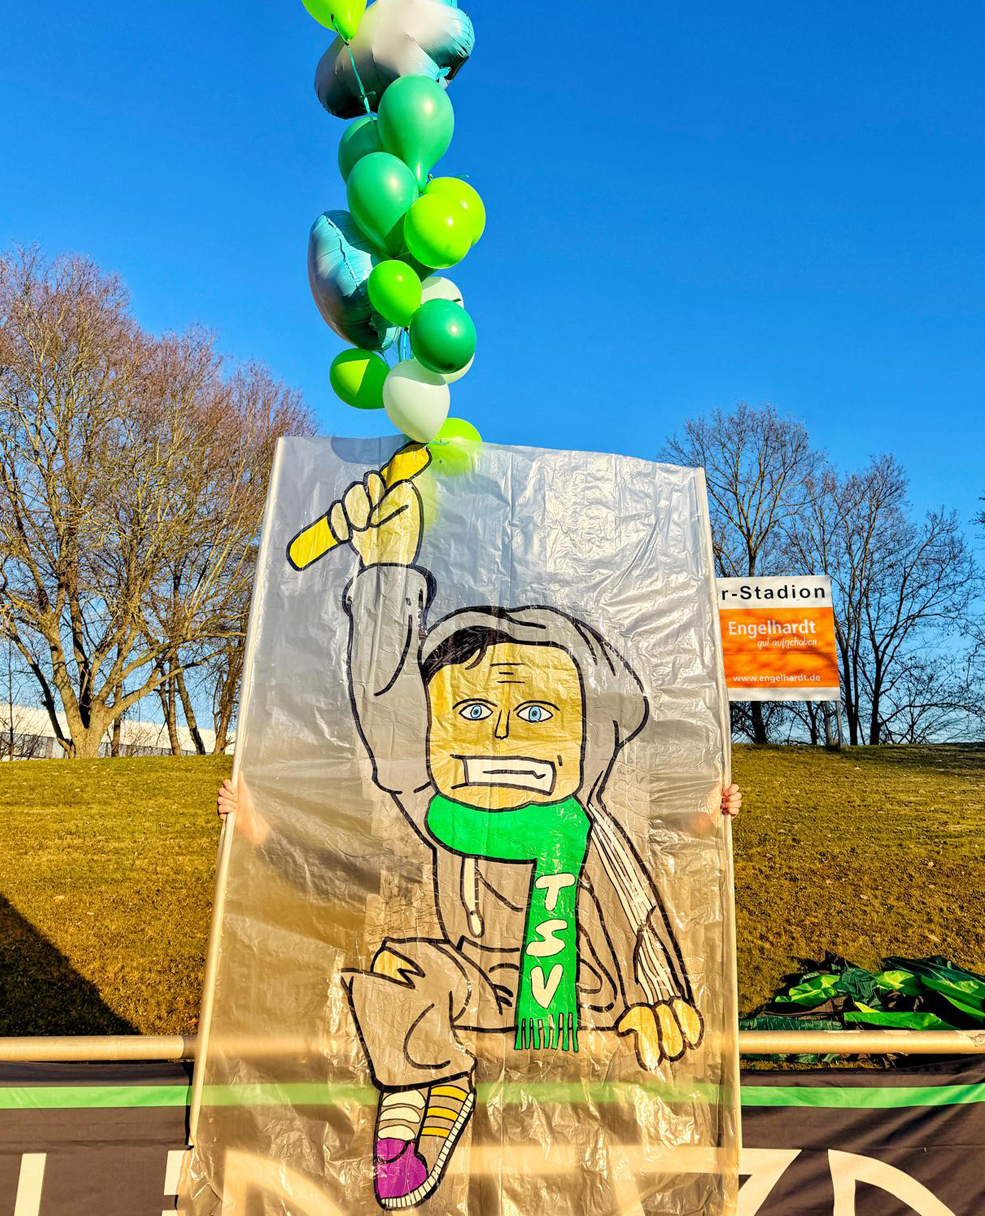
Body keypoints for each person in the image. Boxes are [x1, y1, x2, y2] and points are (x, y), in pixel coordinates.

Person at [216, 448, 743, 1211]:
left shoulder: (579, 830)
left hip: (575, 995)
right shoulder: (442, 815)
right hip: (470, 983)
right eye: (469, 710)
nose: (499, 734)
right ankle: (427, 1089)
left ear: (588, 738)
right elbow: (388, 723)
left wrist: (661, 968)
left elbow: (637, 897)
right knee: (403, 966)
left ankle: (450, 1086)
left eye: (535, 712)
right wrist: (386, 570)